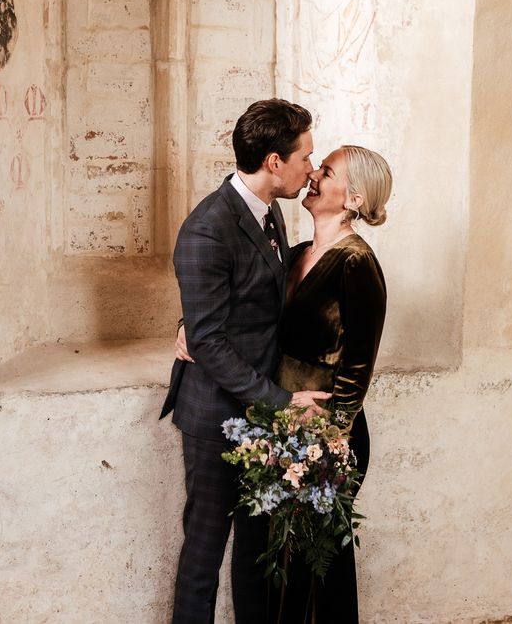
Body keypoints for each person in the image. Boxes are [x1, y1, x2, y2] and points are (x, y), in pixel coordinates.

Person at [159, 99, 331, 623]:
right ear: (274, 162)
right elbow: (209, 342)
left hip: (261, 408)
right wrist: (281, 402)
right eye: (305, 156)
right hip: (216, 416)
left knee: (258, 553)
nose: (312, 167)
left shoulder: (270, 209)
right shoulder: (207, 228)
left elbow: (246, 305)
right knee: (205, 551)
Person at [268, 144, 392, 624]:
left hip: (327, 438)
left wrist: (331, 439)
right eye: (319, 167)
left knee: (321, 566)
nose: (314, 174)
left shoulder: (357, 263)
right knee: (285, 563)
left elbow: (360, 362)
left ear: (354, 198)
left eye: (328, 170)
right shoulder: (297, 253)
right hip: (281, 424)